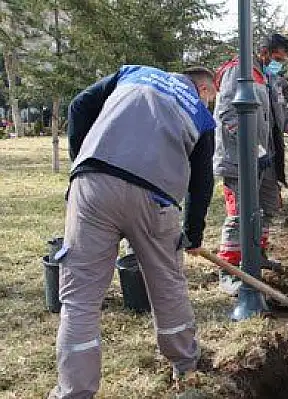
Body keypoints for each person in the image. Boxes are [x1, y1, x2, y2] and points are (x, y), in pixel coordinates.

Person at [49, 65, 217, 398]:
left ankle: (74, 392)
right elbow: (202, 182)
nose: (210, 102)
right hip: (155, 199)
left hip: (93, 186)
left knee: (80, 299)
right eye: (212, 95)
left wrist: (82, 161)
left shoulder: (132, 73)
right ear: (202, 89)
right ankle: (185, 366)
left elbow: (79, 105)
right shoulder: (199, 112)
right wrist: (193, 234)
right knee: (167, 284)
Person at [213, 33, 288, 295]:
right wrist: (253, 149)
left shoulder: (272, 80)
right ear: (263, 52)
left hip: (267, 161)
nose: (279, 64)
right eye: (277, 58)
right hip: (239, 160)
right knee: (239, 215)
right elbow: (227, 113)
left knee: (267, 209)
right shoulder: (239, 72)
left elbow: (285, 119)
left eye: (283, 61)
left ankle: (257, 255)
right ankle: (229, 270)